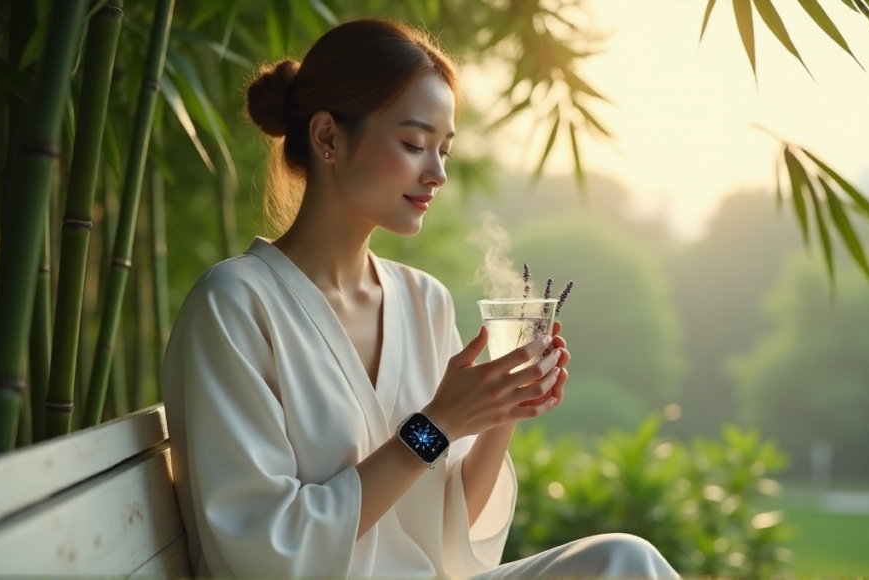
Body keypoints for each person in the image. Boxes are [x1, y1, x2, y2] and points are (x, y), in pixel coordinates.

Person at [160, 16, 680, 580]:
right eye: (413, 144)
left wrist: (503, 406)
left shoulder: (423, 301)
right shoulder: (236, 305)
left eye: (444, 151)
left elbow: (448, 528)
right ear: (328, 137)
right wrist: (434, 424)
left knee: (625, 560)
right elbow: (266, 549)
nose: (436, 174)